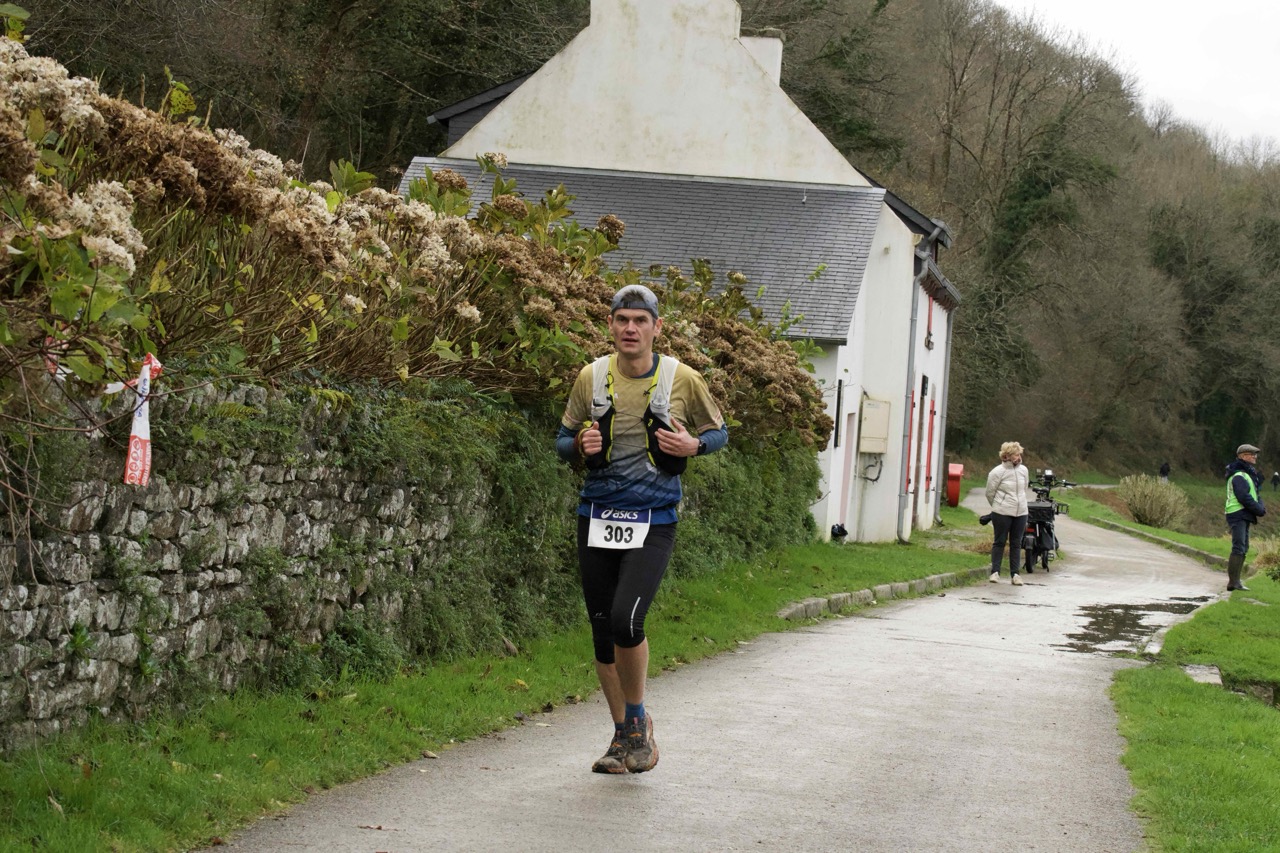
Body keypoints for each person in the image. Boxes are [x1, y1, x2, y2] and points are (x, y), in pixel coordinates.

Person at [555, 284, 728, 774]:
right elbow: (562, 440)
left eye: (640, 320)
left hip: (653, 519)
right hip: (597, 516)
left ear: (656, 327)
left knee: (626, 621)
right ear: (610, 324)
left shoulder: (682, 378)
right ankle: (623, 738)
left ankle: (637, 721)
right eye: (621, 319)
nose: (630, 328)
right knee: (602, 632)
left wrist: (695, 446)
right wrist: (578, 446)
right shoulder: (591, 376)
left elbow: (719, 433)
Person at [985, 441, 1029, 586]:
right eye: (1015, 454)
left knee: (1016, 543)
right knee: (1000, 542)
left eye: (1019, 454)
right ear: (1007, 456)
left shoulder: (1024, 470)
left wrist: (1020, 504)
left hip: (1021, 512)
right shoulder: (997, 472)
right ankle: (995, 572)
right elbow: (990, 493)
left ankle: (1015, 574)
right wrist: (998, 506)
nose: (1018, 457)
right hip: (1002, 512)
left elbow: (1024, 489)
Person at [1224, 444, 1266, 592]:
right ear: (1242, 456)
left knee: (1243, 547)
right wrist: (1258, 509)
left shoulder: (1246, 474)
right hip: (1238, 512)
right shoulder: (1239, 475)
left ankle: (1236, 581)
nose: (1255, 456)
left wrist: (1260, 506)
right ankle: (1233, 582)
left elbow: (1255, 495)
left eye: (1255, 454)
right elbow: (1243, 497)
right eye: (1251, 454)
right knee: (1239, 547)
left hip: (1243, 513)